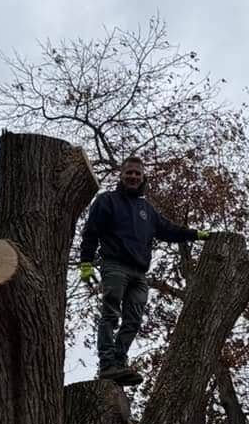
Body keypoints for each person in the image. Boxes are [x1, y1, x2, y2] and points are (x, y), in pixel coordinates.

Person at [78, 153, 204, 382]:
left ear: (143, 177)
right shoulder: (107, 200)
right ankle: (107, 364)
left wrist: (195, 234)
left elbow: (169, 229)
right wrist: (86, 262)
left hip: (139, 273)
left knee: (134, 319)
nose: (133, 176)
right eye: (129, 173)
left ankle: (119, 361)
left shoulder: (146, 209)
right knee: (110, 313)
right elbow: (91, 231)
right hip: (115, 265)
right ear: (122, 175)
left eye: (137, 173)